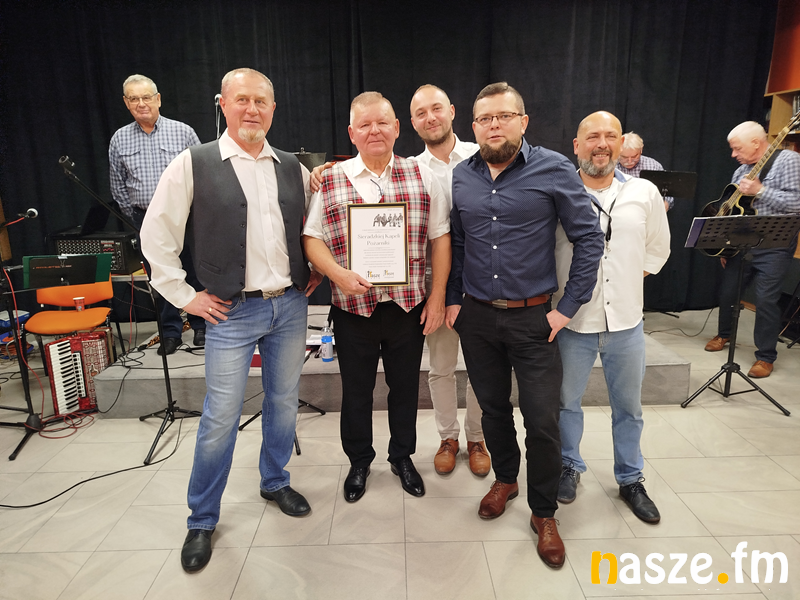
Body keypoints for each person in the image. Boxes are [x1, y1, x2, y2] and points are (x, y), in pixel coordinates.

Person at [141, 68, 321, 573]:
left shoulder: (292, 167)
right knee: (220, 417)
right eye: (242, 99)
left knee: (283, 402)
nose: (252, 109)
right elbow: (156, 236)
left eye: (261, 101)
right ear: (223, 104)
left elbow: (314, 227)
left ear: (273, 109)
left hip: (289, 306)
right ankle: (202, 518)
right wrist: (185, 297)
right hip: (230, 312)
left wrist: (316, 269)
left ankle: (275, 481)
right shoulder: (193, 163)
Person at [446, 82, 604, 569]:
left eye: (503, 116)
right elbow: (459, 242)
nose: (494, 125)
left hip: (535, 318)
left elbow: (589, 239)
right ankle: (506, 479)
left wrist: (567, 307)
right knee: (493, 410)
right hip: (476, 318)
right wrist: (453, 301)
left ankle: (544, 511)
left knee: (541, 419)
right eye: (485, 118)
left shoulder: (554, 168)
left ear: (523, 121)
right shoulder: (462, 175)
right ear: (474, 127)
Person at [303, 91, 451, 504]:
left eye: (382, 122)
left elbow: (440, 238)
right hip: (352, 310)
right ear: (352, 133)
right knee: (357, 391)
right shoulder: (331, 178)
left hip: (407, 308)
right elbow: (311, 238)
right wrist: (337, 274)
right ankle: (359, 461)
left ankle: (402, 457)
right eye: (365, 125)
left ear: (397, 128)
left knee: (405, 388)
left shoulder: (423, 175)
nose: (374, 131)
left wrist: (437, 297)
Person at [555, 111, 670, 524]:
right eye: (592, 137)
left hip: (626, 324)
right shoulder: (557, 192)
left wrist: (622, 281)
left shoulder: (644, 192)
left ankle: (630, 478)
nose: (601, 144)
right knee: (566, 404)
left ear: (621, 144)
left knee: (629, 408)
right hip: (572, 323)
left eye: (610, 136)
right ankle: (569, 466)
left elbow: (657, 249)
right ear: (577, 145)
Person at [408, 84, 489, 477]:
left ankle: (477, 438)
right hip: (435, 283)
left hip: (483, 281)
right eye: (421, 113)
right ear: (412, 123)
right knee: (440, 366)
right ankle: (448, 438)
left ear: (453, 111)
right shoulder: (410, 169)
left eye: (436, 108)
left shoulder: (482, 154)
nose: (431, 118)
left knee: (480, 367)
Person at [109, 74, 206, 355]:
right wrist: (136, 218)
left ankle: (201, 325)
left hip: (187, 217)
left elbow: (202, 175)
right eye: (134, 98)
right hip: (145, 218)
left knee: (195, 272)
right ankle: (170, 332)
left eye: (146, 97)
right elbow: (117, 185)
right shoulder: (119, 139)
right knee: (160, 276)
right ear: (126, 103)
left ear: (158, 99)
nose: (141, 103)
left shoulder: (183, 132)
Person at [704, 121, 800, 378]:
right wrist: (725, 246)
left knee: (766, 300)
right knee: (728, 292)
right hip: (742, 243)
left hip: (775, 245)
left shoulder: (788, 160)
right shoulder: (741, 171)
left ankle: (765, 357)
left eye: (737, 148)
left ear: (756, 143)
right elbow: (732, 210)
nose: (733, 154)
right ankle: (724, 334)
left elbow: (797, 202)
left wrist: (761, 190)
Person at [617, 132, 673, 211]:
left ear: (641, 150)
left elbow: (668, 192)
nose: (629, 161)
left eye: (634, 156)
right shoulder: (611, 166)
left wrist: (666, 202)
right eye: (624, 157)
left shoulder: (653, 166)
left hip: (647, 211)